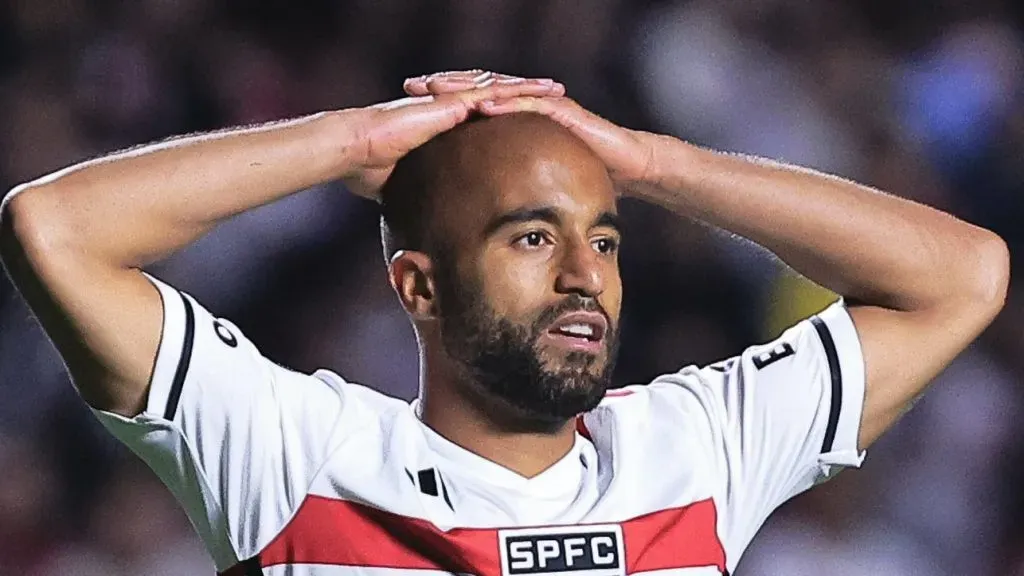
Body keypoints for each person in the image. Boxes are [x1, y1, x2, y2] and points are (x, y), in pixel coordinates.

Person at [0, 69, 1008, 576]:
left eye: (605, 240)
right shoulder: (294, 451)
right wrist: (349, 141)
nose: (584, 276)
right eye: (531, 239)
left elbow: (963, 273)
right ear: (419, 288)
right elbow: (55, 229)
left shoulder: (696, 447)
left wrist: (656, 165)